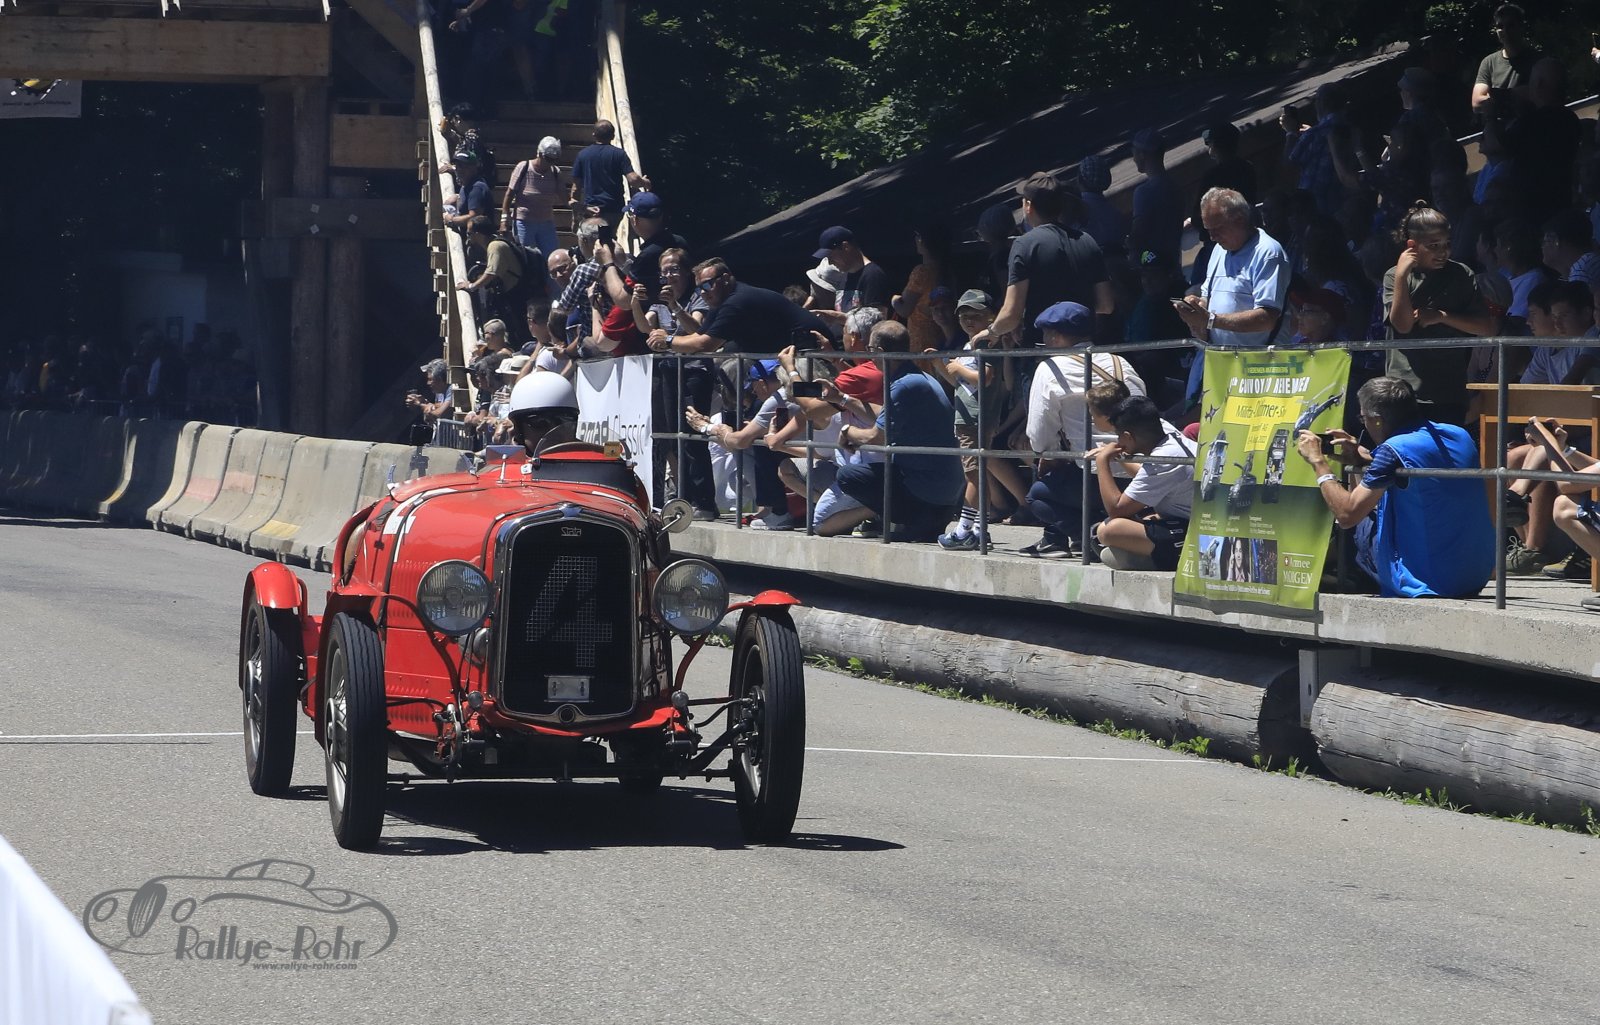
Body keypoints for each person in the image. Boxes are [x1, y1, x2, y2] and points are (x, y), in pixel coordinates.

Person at [1295, 376, 1494, 598]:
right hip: (1472, 576)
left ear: (1377, 420)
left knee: (1356, 516)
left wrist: (1318, 463)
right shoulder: (1458, 434)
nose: (1364, 424)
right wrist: (1361, 458)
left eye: (1363, 418)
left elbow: (1347, 515)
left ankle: (1343, 578)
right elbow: (1418, 462)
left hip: (1427, 580)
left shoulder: (1392, 450)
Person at [815, 321, 963, 542]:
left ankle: (899, 519)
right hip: (942, 494)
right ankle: (908, 522)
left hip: (926, 494)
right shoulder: (916, 377)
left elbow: (876, 436)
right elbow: (882, 413)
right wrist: (841, 396)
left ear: (877, 350)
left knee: (846, 477)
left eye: (869, 350)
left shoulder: (899, 384)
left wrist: (847, 431)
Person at [1022, 302, 1146, 558]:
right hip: (1139, 473)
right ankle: (1074, 537)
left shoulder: (1051, 368)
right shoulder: (1120, 361)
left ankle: (1090, 536)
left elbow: (1039, 434)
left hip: (1093, 475)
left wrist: (1051, 456)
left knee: (1038, 495)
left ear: (1055, 336)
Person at [1174, 188, 1291, 409]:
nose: (1212, 237)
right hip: (1223, 367)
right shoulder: (1219, 250)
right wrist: (1196, 306)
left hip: (1261, 372)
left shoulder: (1267, 252)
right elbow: (1208, 296)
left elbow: (1267, 317)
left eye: (1217, 229)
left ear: (1239, 220)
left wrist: (1211, 320)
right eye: (1208, 230)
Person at [932, 290, 1031, 550]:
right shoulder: (969, 346)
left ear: (991, 317)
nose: (968, 321)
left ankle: (966, 530)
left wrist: (958, 367)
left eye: (975, 315)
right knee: (976, 473)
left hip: (976, 418)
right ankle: (977, 529)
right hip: (967, 415)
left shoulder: (985, 344)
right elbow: (960, 384)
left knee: (973, 475)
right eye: (963, 316)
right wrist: (942, 365)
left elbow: (985, 378)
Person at [1381, 203, 1493, 427]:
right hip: (1405, 389)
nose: (1443, 252)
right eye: (1433, 246)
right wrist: (1402, 275)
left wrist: (1441, 316)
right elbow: (1402, 325)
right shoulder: (1394, 276)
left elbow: (1485, 327)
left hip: (1448, 391)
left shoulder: (1462, 274)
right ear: (1412, 245)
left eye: (1447, 244)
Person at [980, 172, 1114, 349]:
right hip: (1084, 349)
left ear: (1028, 206)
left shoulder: (1025, 245)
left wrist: (991, 332)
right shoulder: (1087, 241)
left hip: (1043, 348)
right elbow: (1106, 305)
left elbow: (1012, 314)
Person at [1087, 395, 1195, 571]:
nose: (1118, 442)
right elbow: (1149, 480)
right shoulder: (1174, 442)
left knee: (1108, 530)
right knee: (1142, 519)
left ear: (1128, 436)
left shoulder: (1163, 459)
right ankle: (1140, 556)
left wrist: (1102, 461)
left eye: (1118, 436)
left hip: (1193, 533)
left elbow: (1116, 509)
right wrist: (1121, 458)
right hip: (1185, 522)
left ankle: (1148, 560)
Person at [658, 259, 827, 355]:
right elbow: (698, 335)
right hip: (785, 354)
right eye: (699, 288)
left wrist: (667, 341)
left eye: (707, 285)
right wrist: (665, 339)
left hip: (812, 353)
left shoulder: (737, 301)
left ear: (725, 279)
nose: (703, 292)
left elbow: (706, 345)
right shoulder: (720, 301)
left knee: (809, 400)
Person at [569, 120, 650, 227]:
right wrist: (645, 182)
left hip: (592, 209)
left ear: (594, 135)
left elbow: (576, 188)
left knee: (593, 236)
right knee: (609, 235)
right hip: (614, 209)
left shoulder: (583, 155)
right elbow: (633, 179)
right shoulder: (619, 154)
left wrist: (575, 215)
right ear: (613, 136)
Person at [810, 226, 891, 332]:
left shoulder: (873, 275)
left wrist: (838, 318)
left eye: (831, 256)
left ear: (846, 247)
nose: (830, 262)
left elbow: (877, 323)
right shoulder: (845, 276)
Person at [1128, 128, 1185, 271]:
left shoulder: (1144, 192)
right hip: (1173, 264)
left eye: (1134, 153)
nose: (1133, 159)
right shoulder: (1175, 187)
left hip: (1151, 268)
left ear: (1142, 155)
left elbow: (1138, 233)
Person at [501, 136, 564, 259]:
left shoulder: (555, 172)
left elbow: (564, 197)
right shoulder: (523, 167)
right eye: (548, 159)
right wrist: (504, 221)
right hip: (524, 222)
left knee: (551, 257)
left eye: (554, 160)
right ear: (539, 154)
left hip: (546, 222)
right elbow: (509, 194)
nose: (550, 163)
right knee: (527, 257)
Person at [1471, 3, 1538, 114]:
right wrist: (1515, 94)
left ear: (1522, 27)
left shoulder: (1538, 60)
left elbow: (1541, 96)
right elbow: (1477, 103)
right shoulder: (1489, 62)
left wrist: (1495, 97)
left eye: (1511, 25)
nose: (1505, 31)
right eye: (1500, 26)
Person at [624, 192, 686, 297]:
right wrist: (622, 261)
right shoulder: (680, 241)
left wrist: (608, 265)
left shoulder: (647, 256)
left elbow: (624, 300)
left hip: (664, 306)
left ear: (634, 219)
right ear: (661, 216)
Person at [505, 368, 581, 453]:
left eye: (564, 421)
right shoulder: (503, 461)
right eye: (540, 422)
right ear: (518, 430)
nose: (554, 434)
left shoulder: (590, 458)